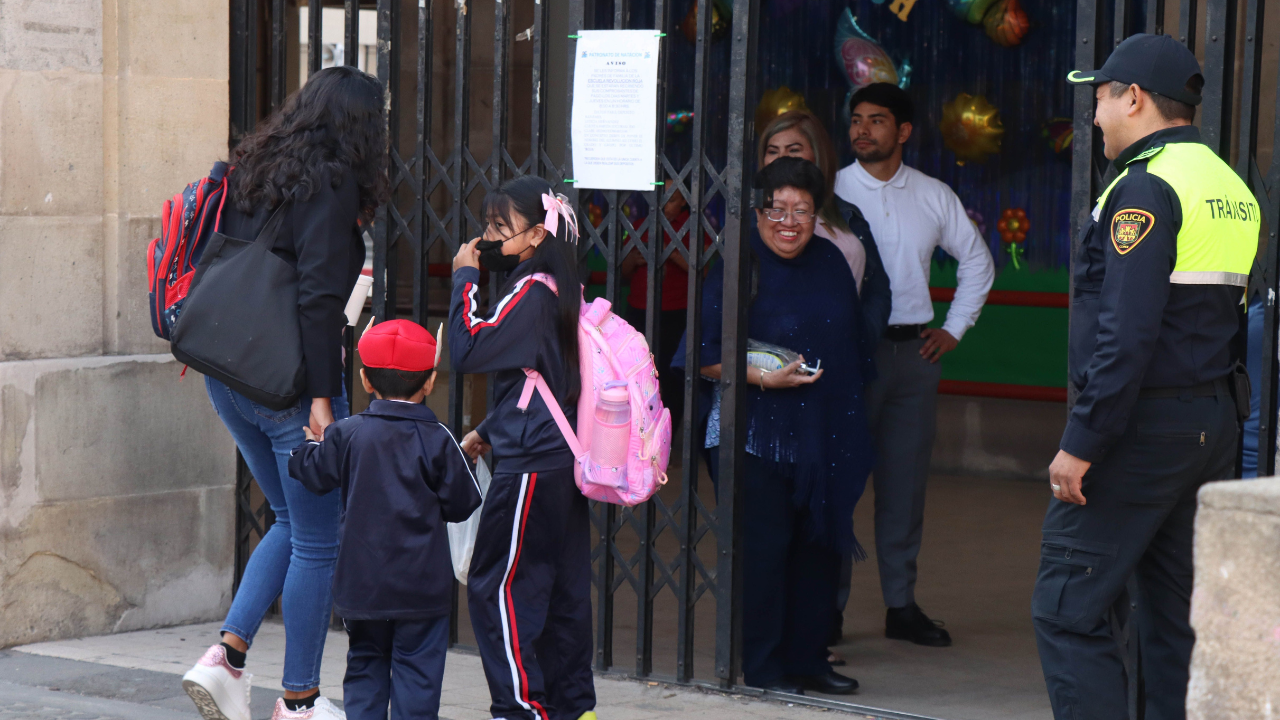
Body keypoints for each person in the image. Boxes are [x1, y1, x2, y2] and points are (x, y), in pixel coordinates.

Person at [1037, 34, 1257, 719]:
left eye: (1099, 98)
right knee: (1170, 618)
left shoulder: (1145, 186)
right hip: (1208, 422)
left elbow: (1126, 334)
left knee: (1067, 608)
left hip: (1141, 427)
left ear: (1133, 98)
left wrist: (1082, 439)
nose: (1094, 116)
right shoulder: (1230, 186)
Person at [182, 65, 388, 720]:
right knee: (320, 539)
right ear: (360, 125)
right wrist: (324, 401)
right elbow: (319, 300)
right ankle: (298, 700)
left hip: (229, 373)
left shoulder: (256, 167)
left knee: (294, 520)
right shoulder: (330, 184)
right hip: (288, 385)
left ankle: (227, 659)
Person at [699, 157, 875, 696]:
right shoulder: (736, 264)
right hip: (757, 435)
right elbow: (705, 355)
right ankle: (764, 668)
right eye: (777, 208)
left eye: (802, 209)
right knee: (767, 552)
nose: (789, 221)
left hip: (823, 434)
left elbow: (853, 345)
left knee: (819, 549)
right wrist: (761, 378)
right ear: (757, 212)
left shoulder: (829, 260)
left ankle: (808, 660)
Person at [833, 82, 994, 648]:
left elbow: (977, 261)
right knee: (837, 484)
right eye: (856, 119)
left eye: (876, 120)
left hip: (915, 359)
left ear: (902, 131)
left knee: (903, 489)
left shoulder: (932, 194)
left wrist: (955, 328)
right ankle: (827, 610)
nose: (862, 130)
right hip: (849, 360)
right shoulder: (830, 192)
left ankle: (900, 606)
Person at [449, 175, 597, 720]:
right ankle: (574, 709)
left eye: (498, 228)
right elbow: (539, 381)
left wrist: (465, 277)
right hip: (559, 462)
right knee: (562, 596)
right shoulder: (563, 291)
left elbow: (466, 348)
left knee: (497, 590)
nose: (487, 237)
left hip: (532, 470)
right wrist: (489, 430)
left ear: (536, 235)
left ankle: (520, 710)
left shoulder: (531, 293)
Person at [289, 319, 482, 720]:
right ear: (430, 382)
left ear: (364, 380)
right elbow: (465, 503)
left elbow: (311, 470)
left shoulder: (348, 434)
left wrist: (306, 447)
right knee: (418, 676)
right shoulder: (440, 439)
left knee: (364, 666)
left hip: (362, 587)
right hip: (421, 590)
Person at [758, 110, 891, 340]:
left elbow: (877, 290)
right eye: (772, 151)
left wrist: (861, 341)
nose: (781, 159)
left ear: (817, 155)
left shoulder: (848, 214)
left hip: (841, 357)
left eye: (794, 150)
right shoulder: (755, 218)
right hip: (781, 363)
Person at [619, 182, 703, 430]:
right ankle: (636, 433)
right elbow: (622, 274)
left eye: (673, 199)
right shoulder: (641, 225)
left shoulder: (693, 226)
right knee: (632, 373)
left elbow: (704, 270)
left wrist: (673, 253)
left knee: (671, 376)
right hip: (639, 308)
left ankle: (668, 436)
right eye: (661, 198)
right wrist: (633, 260)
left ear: (684, 202)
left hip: (676, 312)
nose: (665, 205)